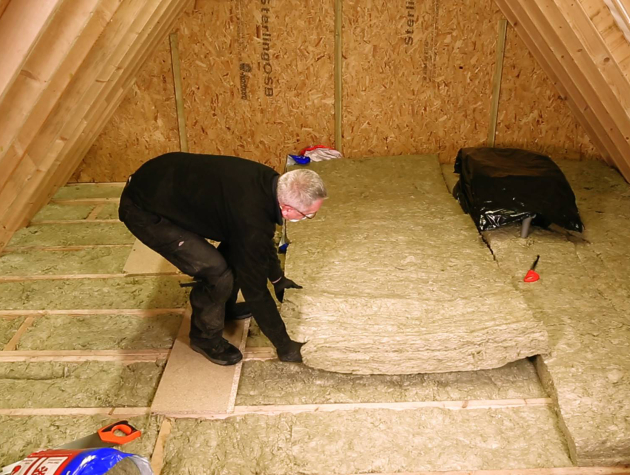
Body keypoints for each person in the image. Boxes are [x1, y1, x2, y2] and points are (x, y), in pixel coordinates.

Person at [118, 152, 327, 366]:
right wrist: (285, 346)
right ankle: (205, 338)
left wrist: (277, 279)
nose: (307, 218)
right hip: (143, 210)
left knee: (240, 249)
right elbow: (255, 291)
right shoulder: (250, 219)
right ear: (287, 208)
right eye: (308, 214)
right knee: (217, 273)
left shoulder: (271, 183)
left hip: (160, 181)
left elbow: (260, 245)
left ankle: (224, 307)